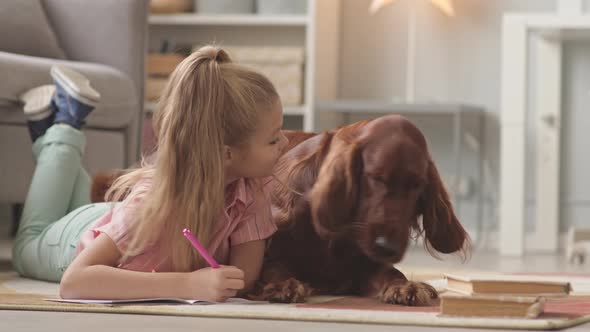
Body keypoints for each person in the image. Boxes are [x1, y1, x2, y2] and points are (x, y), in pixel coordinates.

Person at [12, 45, 288, 302]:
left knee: (79, 207)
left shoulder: (250, 188)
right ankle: (65, 127)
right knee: (26, 245)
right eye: (274, 139)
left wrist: (222, 282)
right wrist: (187, 285)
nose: (286, 144)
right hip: (73, 243)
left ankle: (49, 130)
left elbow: (242, 277)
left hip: (113, 222)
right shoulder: (150, 205)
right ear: (226, 154)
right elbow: (74, 282)